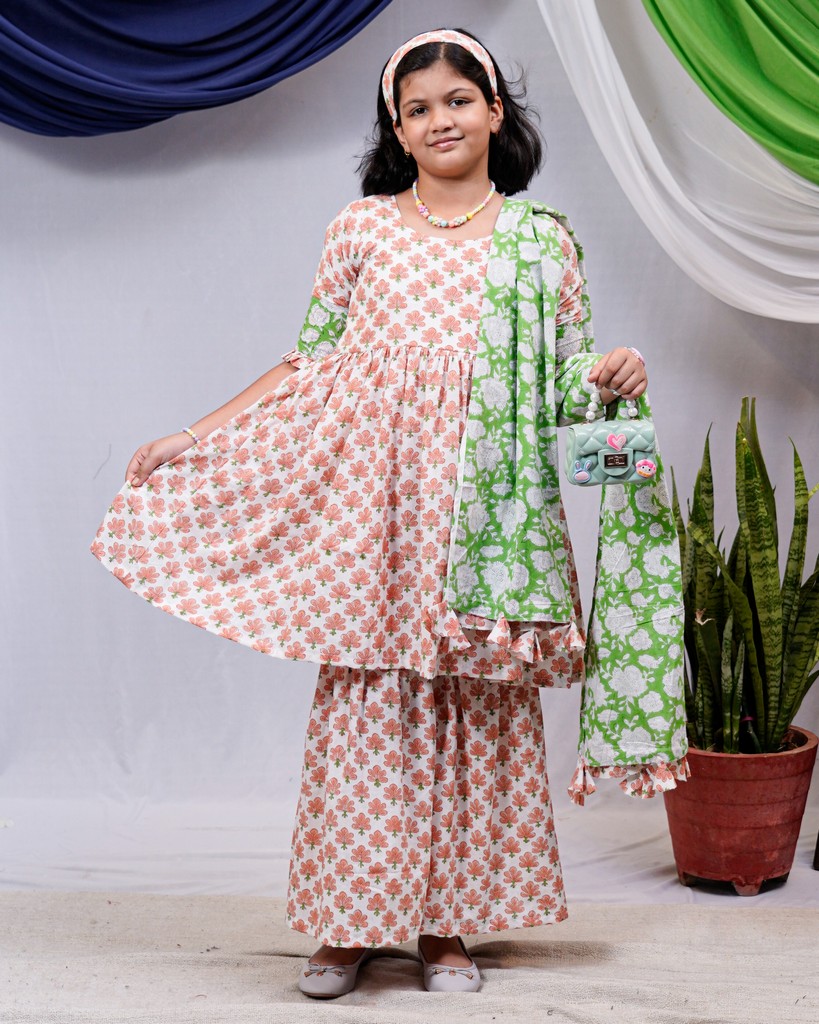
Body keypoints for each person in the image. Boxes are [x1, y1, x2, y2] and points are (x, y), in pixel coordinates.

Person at [91, 28, 686, 999]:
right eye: (416, 109)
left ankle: (446, 929)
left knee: (472, 706)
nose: (439, 119)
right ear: (397, 132)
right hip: (374, 512)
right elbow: (310, 362)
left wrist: (613, 372)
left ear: (494, 111)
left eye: (457, 99)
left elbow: (565, 378)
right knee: (367, 702)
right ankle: (348, 925)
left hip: (492, 521)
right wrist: (194, 435)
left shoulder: (542, 240)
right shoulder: (361, 229)